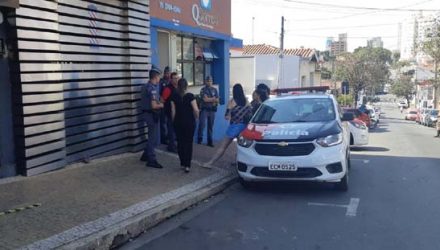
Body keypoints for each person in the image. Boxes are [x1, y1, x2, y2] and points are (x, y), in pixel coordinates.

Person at [203, 84, 252, 168]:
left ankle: (210, 163)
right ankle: (238, 161)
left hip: (234, 127)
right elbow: (250, 112)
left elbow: (226, 116)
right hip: (244, 127)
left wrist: (231, 114)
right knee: (241, 146)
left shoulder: (232, 101)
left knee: (223, 146)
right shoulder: (246, 101)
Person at [171, 78, 200, 173]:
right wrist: (196, 117)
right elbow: (196, 110)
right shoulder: (190, 96)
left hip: (178, 123)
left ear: (178, 86)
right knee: (188, 143)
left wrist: (173, 121)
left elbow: (173, 111)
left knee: (180, 143)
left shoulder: (174, 96)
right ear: (186, 86)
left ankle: (182, 163)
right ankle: (187, 165)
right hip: (189, 123)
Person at [140, 66, 164, 168]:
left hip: (147, 114)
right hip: (151, 115)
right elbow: (154, 105)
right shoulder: (152, 89)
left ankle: (145, 155)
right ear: (155, 77)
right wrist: (161, 105)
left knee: (151, 136)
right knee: (152, 138)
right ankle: (151, 160)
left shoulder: (145, 86)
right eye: (159, 77)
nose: (159, 79)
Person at [197, 76, 219, 147]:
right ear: (205, 81)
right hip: (204, 110)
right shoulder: (203, 89)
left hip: (212, 110)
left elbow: (218, 100)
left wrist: (210, 99)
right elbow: (205, 100)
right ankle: (199, 140)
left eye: (210, 81)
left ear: (212, 81)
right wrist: (213, 99)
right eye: (208, 81)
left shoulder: (215, 90)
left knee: (210, 127)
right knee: (202, 125)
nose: (209, 82)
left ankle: (210, 141)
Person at [161, 72, 179, 152]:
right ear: (171, 79)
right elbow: (162, 100)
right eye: (175, 78)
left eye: (177, 78)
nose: (176, 80)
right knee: (171, 130)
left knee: (175, 130)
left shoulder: (178, 88)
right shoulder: (168, 89)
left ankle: (173, 145)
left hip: (177, 113)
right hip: (170, 113)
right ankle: (171, 146)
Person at [159, 66, 171, 145]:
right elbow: (158, 93)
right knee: (163, 122)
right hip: (163, 105)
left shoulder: (171, 81)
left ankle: (170, 137)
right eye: (166, 73)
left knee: (170, 122)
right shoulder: (161, 81)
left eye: (169, 73)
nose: (168, 74)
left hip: (170, 105)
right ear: (164, 73)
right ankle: (164, 139)